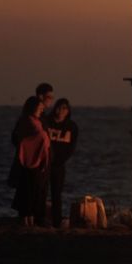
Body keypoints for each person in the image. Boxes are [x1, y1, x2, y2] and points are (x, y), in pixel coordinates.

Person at [11, 96, 51, 227]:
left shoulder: (36, 121)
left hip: (37, 161)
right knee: (27, 191)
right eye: (40, 108)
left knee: (33, 192)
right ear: (33, 108)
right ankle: (26, 221)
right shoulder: (27, 121)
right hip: (29, 162)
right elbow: (28, 139)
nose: (42, 109)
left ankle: (31, 220)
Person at [46, 98, 79, 228]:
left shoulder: (71, 127)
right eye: (59, 108)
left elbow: (71, 148)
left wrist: (59, 161)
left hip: (59, 165)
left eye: (64, 108)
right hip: (44, 163)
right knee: (40, 192)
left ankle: (57, 221)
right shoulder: (46, 123)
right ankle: (38, 218)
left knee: (56, 194)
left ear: (68, 111)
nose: (61, 111)